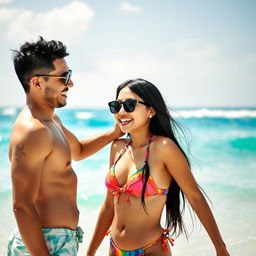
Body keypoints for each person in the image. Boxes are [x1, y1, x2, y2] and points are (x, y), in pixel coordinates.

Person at [86, 78, 230, 256]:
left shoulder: (163, 148)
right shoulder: (117, 147)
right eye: (117, 106)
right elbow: (109, 205)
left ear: (151, 110)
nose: (122, 111)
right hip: (114, 249)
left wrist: (220, 248)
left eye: (130, 105)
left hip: (151, 249)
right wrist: (90, 252)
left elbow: (195, 198)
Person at [8, 37, 122, 256]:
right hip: (43, 244)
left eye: (70, 75)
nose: (71, 83)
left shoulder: (52, 122)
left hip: (58, 241)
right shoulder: (34, 131)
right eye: (64, 77)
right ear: (37, 82)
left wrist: (114, 133)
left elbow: (77, 151)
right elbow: (21, 206)